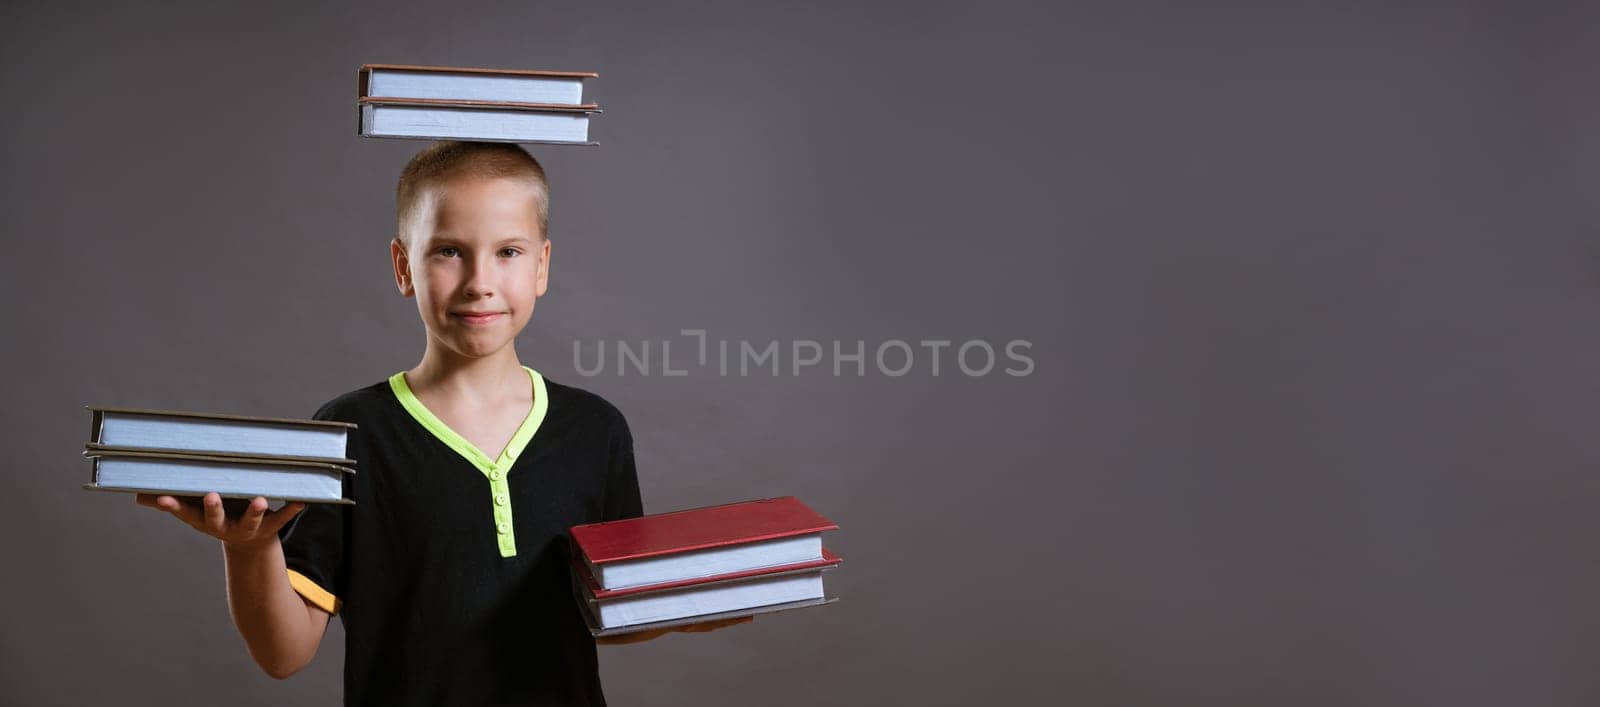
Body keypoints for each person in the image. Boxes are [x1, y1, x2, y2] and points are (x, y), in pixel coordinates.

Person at [135, 141, 748, 706]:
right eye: (449, 251)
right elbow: (283, 654)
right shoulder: (350, 434)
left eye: (509, 252)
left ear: (542, 266)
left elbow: (603, 617)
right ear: (403, 266)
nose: (481, 283)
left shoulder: (597, 430)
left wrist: (677, 604)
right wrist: (251, 549)